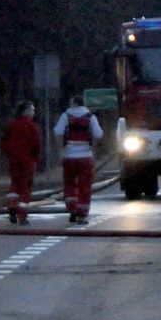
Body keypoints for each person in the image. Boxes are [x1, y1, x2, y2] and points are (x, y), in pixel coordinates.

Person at [54, 93, 104, 223]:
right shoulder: (90, 117)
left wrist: (62, 149)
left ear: (73, 103)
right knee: (84, 186)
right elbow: (98, 134)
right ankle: (82, 214)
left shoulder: (65, 116)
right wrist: (94, 148)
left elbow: (58, 132)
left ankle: (72, 208)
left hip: (69, 157)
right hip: (85, 157)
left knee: (69, 183)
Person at [0, 100, 42, 224]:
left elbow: (4, 143)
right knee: (25, 188)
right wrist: (35, 158)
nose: (33, 112)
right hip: (27, 162)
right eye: (32, 110)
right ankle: (22, 216)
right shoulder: (31, 126)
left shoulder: (11, 125)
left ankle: (12, 206)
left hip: (13, 161)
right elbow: (37, 145)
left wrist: (9, 154)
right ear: (26, 111)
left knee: (14, 184)